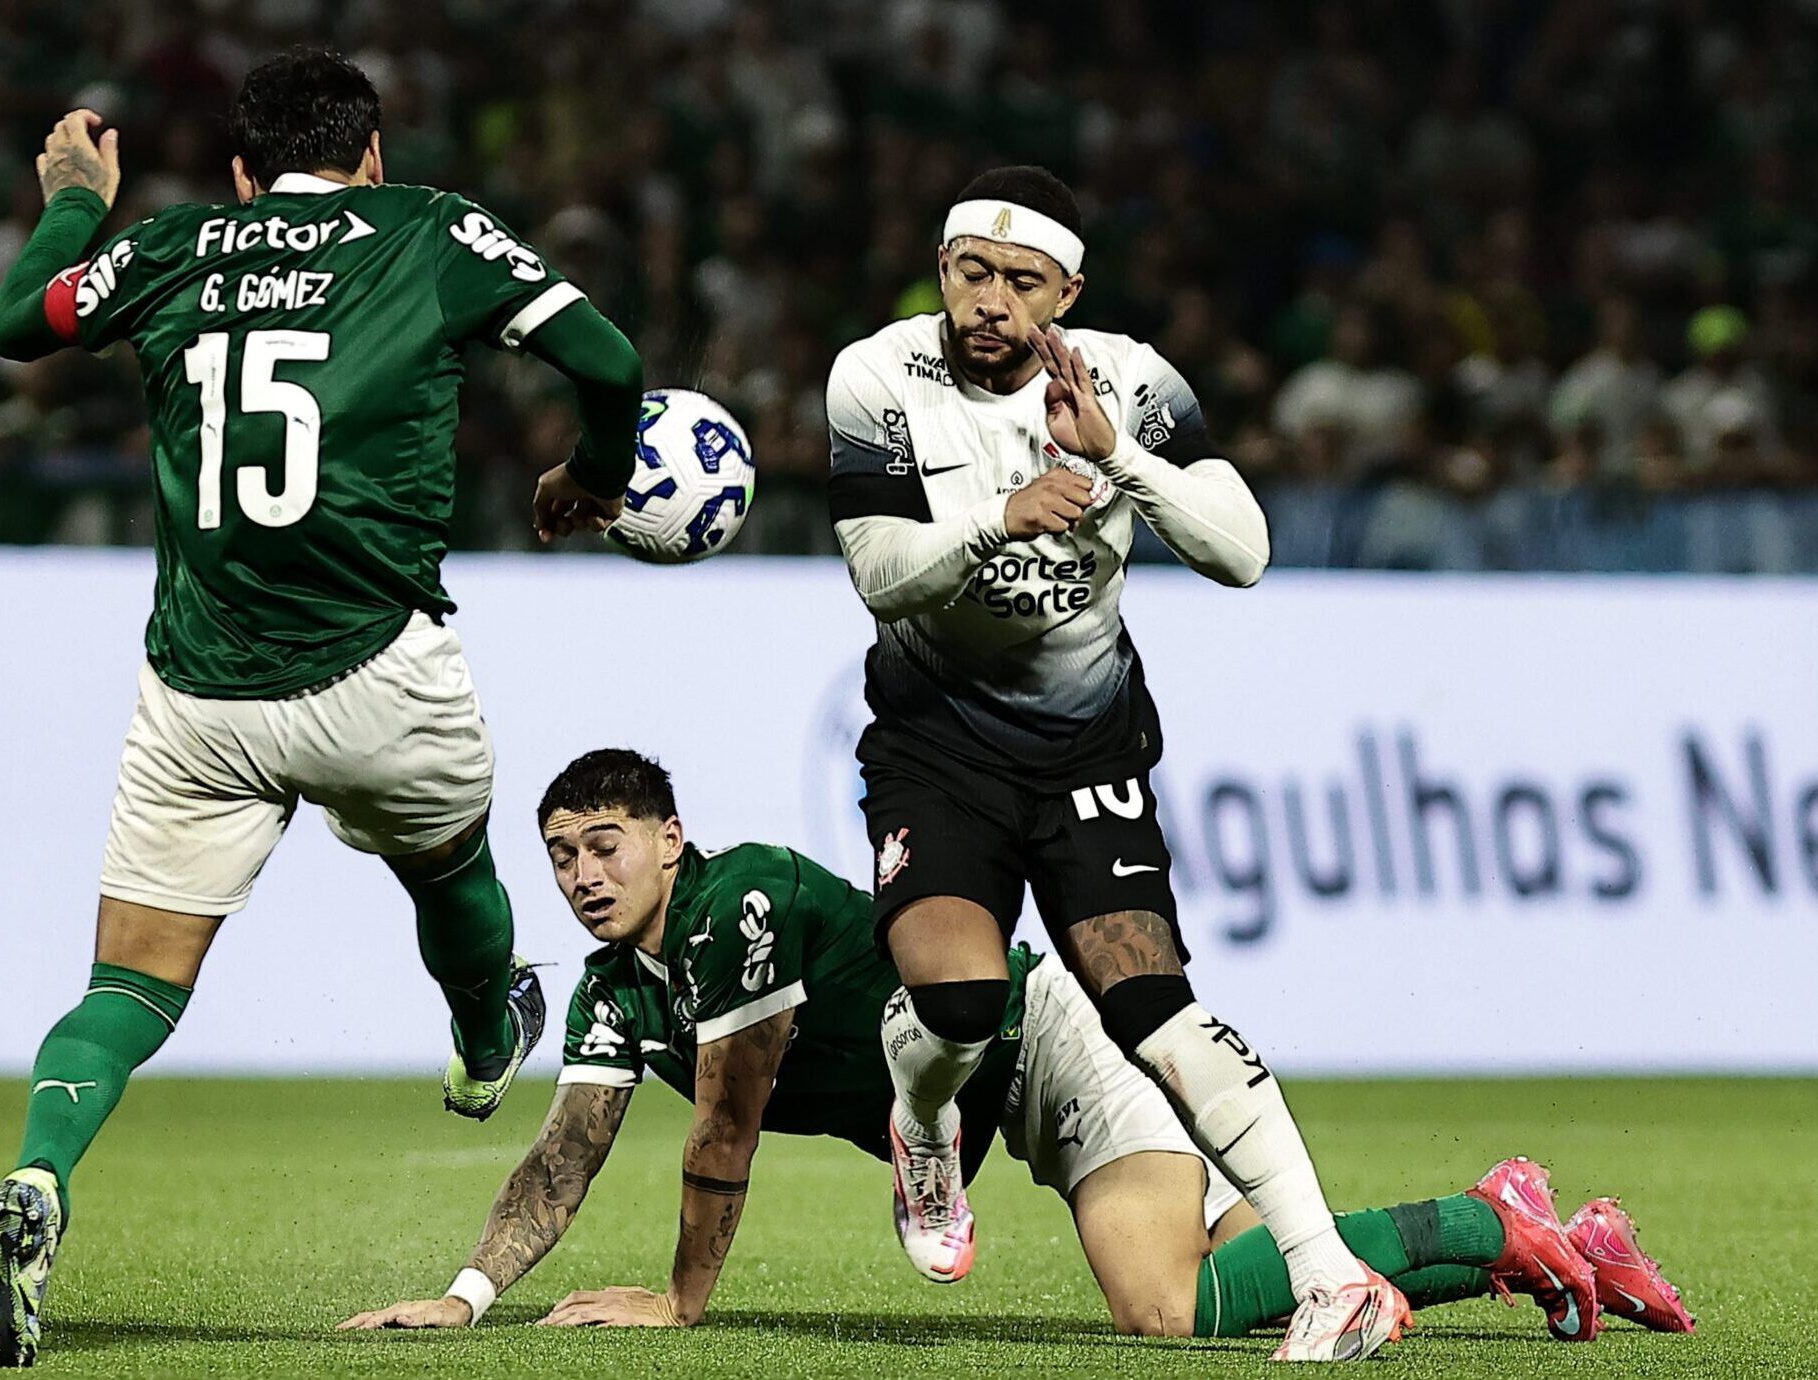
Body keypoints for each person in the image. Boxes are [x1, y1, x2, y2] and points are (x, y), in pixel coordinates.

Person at [0, 48, 642, 1367]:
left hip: (198, 692)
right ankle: (483, 1036)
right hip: (379, 672)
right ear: (371, 155)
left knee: (123, 991)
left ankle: (41, 1177)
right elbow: (608, 358)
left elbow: (12, 327)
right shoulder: (427, 229)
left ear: (239, 171)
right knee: (450, 871)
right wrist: (589, 478)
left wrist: (71, 200)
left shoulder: (170, 248)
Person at [339, 750, 1693, 1347]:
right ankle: (1516, 1235)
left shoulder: (738, 897)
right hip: (962, 1103)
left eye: (605, 844)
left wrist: (683, 1305)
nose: (582, 873)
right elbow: (565, 1155)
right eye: (561, 853)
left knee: (1168, 1312)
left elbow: (725, 1124)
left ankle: (1485, 1216)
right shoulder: (606, 993)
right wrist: (465, 1294)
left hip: (1042, 1046)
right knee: (1208, 1293)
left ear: (668, 840)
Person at [822, 164, 1424, 1360]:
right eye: (971, 272)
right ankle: (925, 1131)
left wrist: (1119, 464)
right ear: (943, 269)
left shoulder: (1133, 379)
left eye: (1023, 282)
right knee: (956, 1006)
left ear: (1069, 290)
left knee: (1154, 1009)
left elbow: (1243, 552)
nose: (992, 300)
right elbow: (874, 571)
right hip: (936, 743)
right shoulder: (875, 375)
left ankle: (1328, 1278)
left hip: (1088, 748)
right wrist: (998, 518)